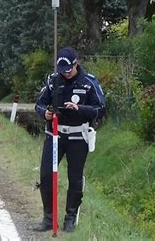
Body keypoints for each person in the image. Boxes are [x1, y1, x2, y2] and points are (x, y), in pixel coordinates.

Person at [33, 47, 105, 232]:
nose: (65, 74)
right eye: (61, 70)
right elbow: (39, 104)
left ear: (76, 64)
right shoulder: (52, 80)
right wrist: (45, 113)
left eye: (68, 70)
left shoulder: (89, 82)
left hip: (78, 137)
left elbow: (101, 109)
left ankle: (70, 217)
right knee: (46, 175)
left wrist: (79, 108)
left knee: (74, 178)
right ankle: (49, 218)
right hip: (55, 134)